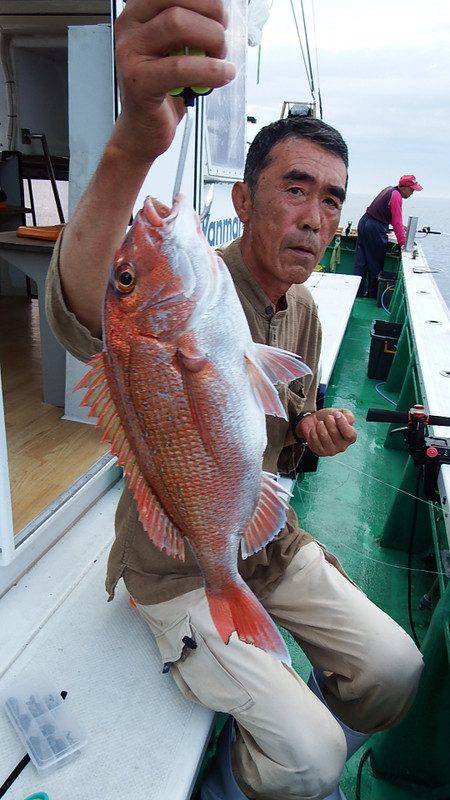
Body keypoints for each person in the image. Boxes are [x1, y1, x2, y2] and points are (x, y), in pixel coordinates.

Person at [45, 2, 423, 798]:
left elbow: (276, 436)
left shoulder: (306, 310)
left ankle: (289, 723)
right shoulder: (188, 296)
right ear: (244, 201)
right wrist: (132, 146)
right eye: (295, 189)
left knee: (396, 669)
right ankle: (252, 774)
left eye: (332, 199)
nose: (315, 219)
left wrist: (311, 430)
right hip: (181, 561)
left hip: (267, 538)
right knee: (311, 761)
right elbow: (82, 314)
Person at [353, 175, 423, 298]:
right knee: (375, 264)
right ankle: (372, 295)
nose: (412, 193)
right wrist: (403, 242)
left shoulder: (389, 190)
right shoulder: (397, 196)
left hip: (364, 222)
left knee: (361, 262)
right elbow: (396, 221)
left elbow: (382, 211)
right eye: (411, 189)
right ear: (404, 187)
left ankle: (356, 293)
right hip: (375, 228)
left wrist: (400, 226)